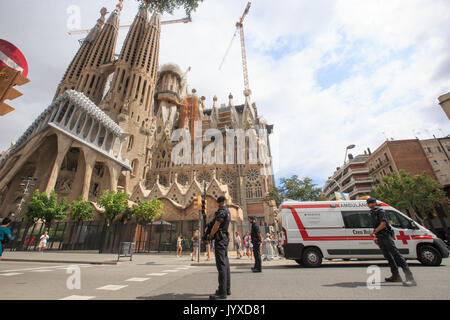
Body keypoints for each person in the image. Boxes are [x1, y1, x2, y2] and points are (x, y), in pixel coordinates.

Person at [367, 198, 417, 286]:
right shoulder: (372, 213)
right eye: (368, 203)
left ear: (375, 203)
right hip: (380, 237)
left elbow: (383, 224)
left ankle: (410, 278)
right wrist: (376, 236)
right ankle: (396, 276)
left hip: (386, 236)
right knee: (388, 257)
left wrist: (374, 232)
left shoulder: (380, 211)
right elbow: (376, 225)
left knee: (396, 255)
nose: (369, 204)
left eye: (370, 203)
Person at [208, 196, 231, 300]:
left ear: (218, 202)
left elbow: (217, 224)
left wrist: (210, 234)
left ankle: (222, 292)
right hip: (225, 238)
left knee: (221, 265)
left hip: (220, 239)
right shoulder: (228, 211)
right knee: (225, 264)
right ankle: (226, 288)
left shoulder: (221, 211)